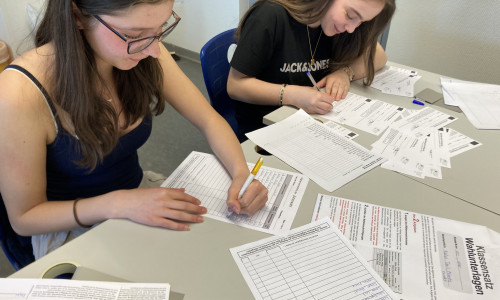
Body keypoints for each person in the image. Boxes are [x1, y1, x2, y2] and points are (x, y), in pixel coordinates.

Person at [0, 0, 268, 260]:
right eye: (134, 34)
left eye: (161, 27)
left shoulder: (146, 46)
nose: (154, 50)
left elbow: (209, 120)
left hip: (137, 197)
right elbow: (25, 218)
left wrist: (241, 174)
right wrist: (118, 204)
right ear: (77, 16)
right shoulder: (19, 93)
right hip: (72, 226)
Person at [227, 0, 396, 141]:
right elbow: (235, 86)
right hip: (264, 130)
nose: (352, 28)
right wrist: (291, 95)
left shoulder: (339, 25)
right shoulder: (271, 16)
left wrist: (345, 72)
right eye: (351, 15)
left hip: (311, 126)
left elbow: (379, 55)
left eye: (361, 21)